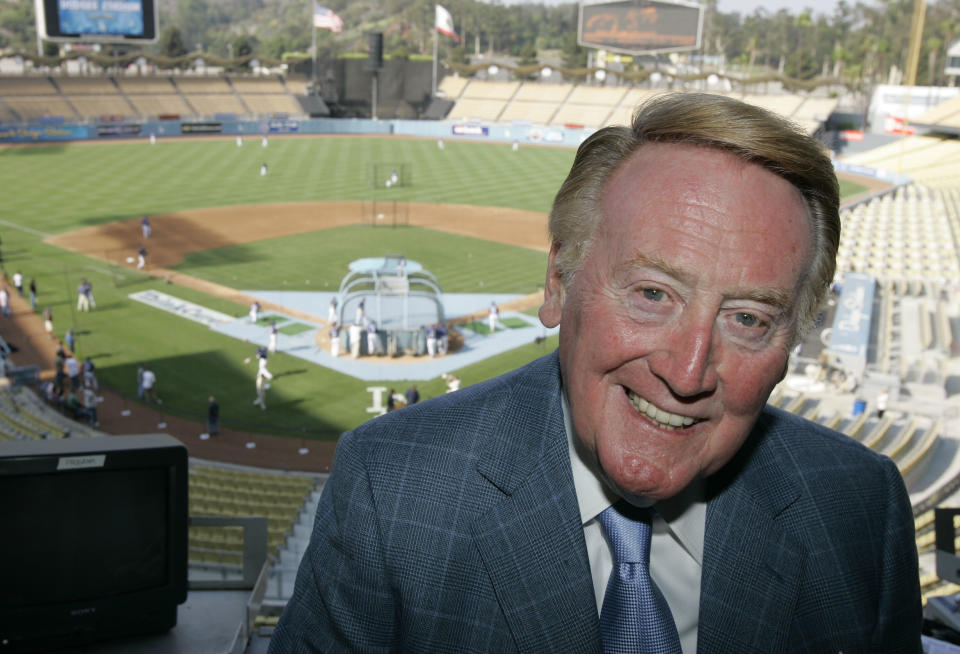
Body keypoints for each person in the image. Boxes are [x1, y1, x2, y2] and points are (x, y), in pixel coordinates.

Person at [270, 93, 921, 652]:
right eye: (652, 294)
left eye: (748, 318)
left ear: (790, 346)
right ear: (558, 282)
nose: (687, 370)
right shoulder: (395, 495)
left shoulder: (858, 510)